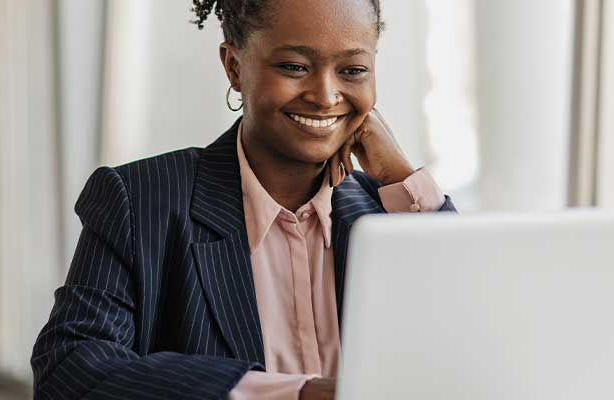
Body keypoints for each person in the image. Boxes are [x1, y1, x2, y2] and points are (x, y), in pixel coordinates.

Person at [31, 0, 454, 398]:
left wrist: (399, 174)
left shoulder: (391, 214)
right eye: (294, 66)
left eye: (353, 70)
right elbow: (69, 369)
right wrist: (299, 393)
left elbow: (481, 336)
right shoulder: (140, 201)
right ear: (234, 67)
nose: (326, 96)